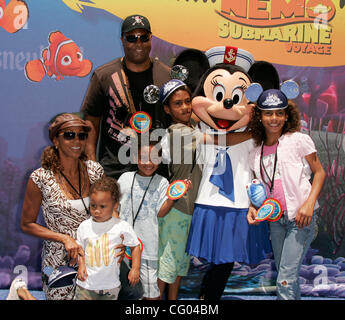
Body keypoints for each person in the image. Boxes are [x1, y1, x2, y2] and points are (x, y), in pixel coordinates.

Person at [157, 79, 253, 300]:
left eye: (187, 101)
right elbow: (223, 139)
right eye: (177, 104)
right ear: (166, 109)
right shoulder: (178, 132)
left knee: (179, 266)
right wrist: (254, 133)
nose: (185, 107)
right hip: (178, 209)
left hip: (189, 208)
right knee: (168, 265)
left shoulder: (190, 128)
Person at [246, 88, 326, 300]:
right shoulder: (256, 152)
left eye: (279, 113)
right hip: (275, 221)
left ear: (287, 115)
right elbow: (259, 190)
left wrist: (309, 204)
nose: (274, 118)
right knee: (286, 276)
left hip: (300, 219)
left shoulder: (299, 140)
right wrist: (252, 209)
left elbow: (319, 173)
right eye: (268, 113)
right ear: (260, 116)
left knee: (285, 278)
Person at [21, 113, 104, 300]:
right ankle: (22, 294)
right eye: (69, 135)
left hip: (94, 258)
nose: (77, 140)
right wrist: (64, 238)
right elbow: (27, 224)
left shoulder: (95, 171)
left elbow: (107, 213)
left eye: (81, 135)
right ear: (55, 140)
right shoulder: (40, 178)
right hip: (58, 261)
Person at [81, 14, 171, 179]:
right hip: (115, 170)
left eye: (144, 38)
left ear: (151, 38)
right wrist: (92, 164)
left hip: (157, 171)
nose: (138, 44)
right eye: (132, 38)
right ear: (122, 39)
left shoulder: (167, 76)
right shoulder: (104, 75)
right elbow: (91, 121)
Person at [117, 140, 175, 300]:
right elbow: (115, 208)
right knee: (119, 289)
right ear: (135, 157)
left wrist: (172, 198)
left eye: (154, 157)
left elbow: (161, 213)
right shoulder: (125, 178)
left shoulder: (162, 182)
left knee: (151, 292)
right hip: (121, 248)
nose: (148, 163)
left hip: (148, 248)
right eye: (143, 157)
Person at [74, 176, 141, 300]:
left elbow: (135, 246)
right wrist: (81, 265)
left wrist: (135, 269)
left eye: (102, 206)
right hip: (85, 286)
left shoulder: (122, 226)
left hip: (111, 287)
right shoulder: (84, 226)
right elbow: (80, 249)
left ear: (115, 205)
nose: (97, 211)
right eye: (93, 206)